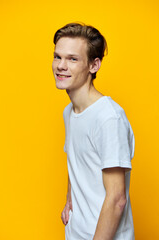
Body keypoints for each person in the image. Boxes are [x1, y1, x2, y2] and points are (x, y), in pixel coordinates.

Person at [52, 23, 135, 240]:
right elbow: (77, 158)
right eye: (57, 57)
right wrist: (70, 198)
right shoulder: (69, 112)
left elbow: (117, 199)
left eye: (72, 59)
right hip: (76, 233)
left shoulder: (108, 118)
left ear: (93, 65)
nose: (61, 65)